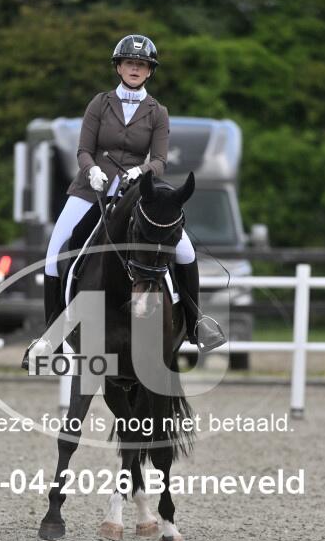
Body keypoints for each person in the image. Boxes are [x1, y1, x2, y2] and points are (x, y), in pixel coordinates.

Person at [42, 34, 225, 352]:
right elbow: (84, 150)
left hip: (134, 193)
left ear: (150, 71)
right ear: (119, 67)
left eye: (142, 64)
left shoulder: (158, 112)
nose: (135, 68)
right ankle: (49, 336)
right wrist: (92, 170)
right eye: (130, 63)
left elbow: (160, 161)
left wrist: (142, 171)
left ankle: (196, 323)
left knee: (185, 250)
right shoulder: (99, 103)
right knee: (54, 252)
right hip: (92, 190)